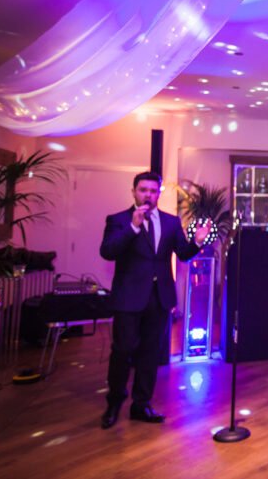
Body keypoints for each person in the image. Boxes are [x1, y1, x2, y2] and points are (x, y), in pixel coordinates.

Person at [99, 171, 210, 429]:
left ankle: (141, 405)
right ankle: (114, 402)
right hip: (129, 298)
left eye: (153, 190)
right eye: (143, 190)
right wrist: (133, 227)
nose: (148, 195)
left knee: (150, 354)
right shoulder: (118, 220)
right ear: (134, 192)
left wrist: (197, 242)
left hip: (159, 298)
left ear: (159, 193)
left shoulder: (171, 222)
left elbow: (182, 254)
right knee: (123, 351)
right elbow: (108, 251)